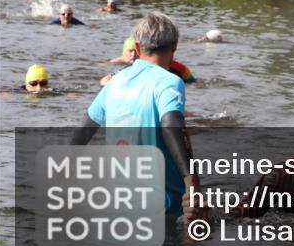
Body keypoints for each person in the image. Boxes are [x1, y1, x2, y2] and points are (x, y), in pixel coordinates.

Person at [71, 12, 207, 221]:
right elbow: (171, 125)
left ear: (135, 48)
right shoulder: (169, 82)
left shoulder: (115, 82)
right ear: (175, 46)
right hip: (163, 208)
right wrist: (192, 183)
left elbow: (81, 135)